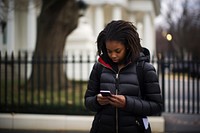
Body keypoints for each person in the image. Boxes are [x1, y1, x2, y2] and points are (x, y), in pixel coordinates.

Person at [84, 20, 163, 133]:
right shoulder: (99, 67)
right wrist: (97, 100)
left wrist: (127, 103)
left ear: (128, 46)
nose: (113, 55)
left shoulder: (144, 69)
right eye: (109, 51)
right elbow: (88, 102)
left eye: (117, 51)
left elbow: (156, 106)